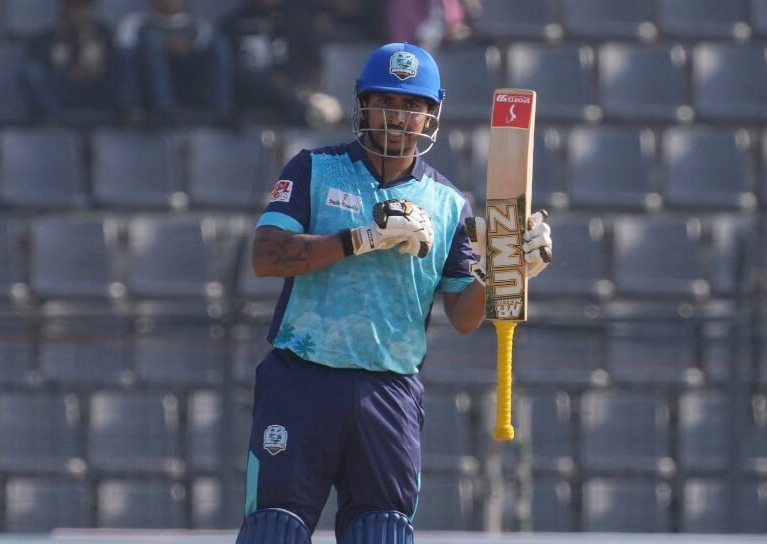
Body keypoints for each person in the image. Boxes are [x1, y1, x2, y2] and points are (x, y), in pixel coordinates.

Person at [236, 42, 553, 544]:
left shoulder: (449, 204)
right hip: (301, 379)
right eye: (386, 101)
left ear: (431, 115)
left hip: (388, 390)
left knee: (381, 532)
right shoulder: (313, 169)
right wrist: (362, 238)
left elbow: (464, 316)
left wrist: (507, 271)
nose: (398, 116)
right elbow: (266, 256)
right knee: (274, 531)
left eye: (411, 105)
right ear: (363, 104)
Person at [220, 0, 341, 128]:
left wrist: (301, 84)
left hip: (294, 93)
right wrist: (273, 82)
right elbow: (230, 71)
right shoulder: (232, 25)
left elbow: (313, 61)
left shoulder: (296, 21)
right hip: (250, 97)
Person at [115, 0, 235, 124]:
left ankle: (222, 108)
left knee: (218, 44)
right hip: (150, 91)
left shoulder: (199, 26)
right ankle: (159, 109)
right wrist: (163, 46)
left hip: (186, 84)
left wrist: (187, 48)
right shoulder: (135, 24)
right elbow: (125, 60)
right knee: (151, 42)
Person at [18, 0, 117, 122]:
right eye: (76, 9)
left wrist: (98, 66)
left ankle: (125, 113)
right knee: (30, 71)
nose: (82, 14)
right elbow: (44, 72)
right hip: (64, 92)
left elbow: (111, 68)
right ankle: (55, 118)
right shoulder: (46, 39)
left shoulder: (104, 34)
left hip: (95, 92)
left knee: (122, 56)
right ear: (64, 10)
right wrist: (66, 70)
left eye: (86, 9)